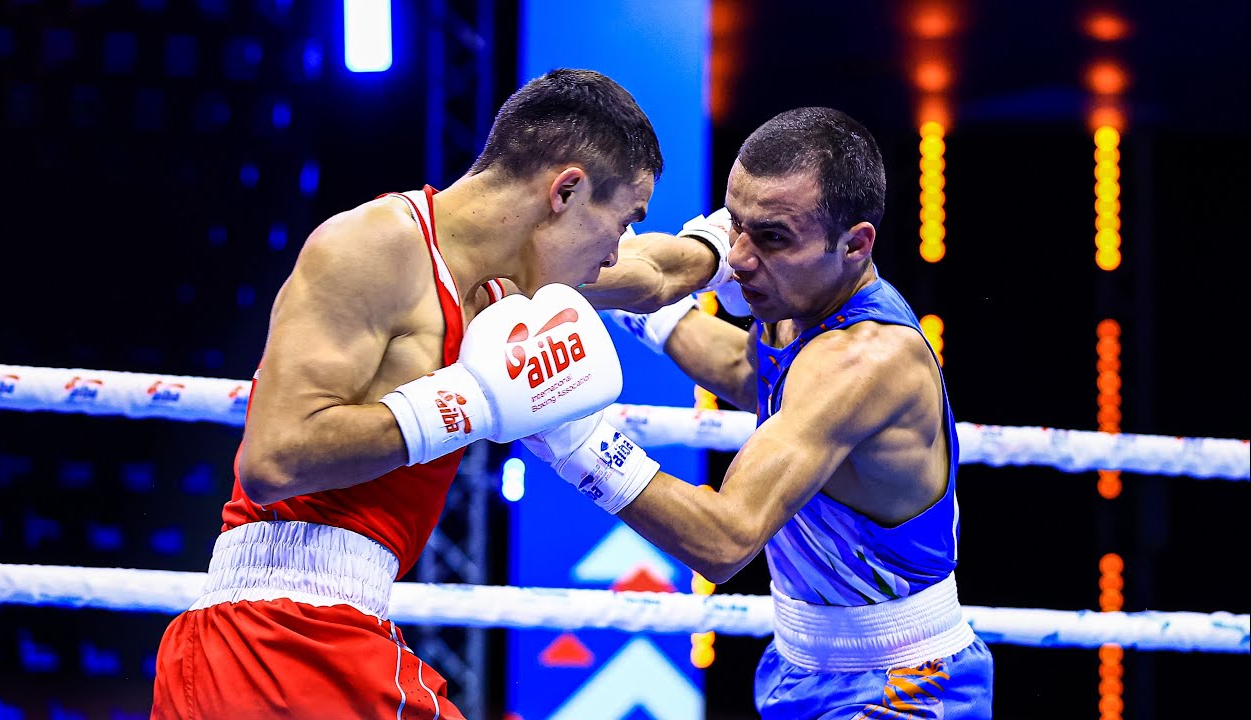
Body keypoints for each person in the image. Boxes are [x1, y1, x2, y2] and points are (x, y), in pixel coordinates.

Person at [150, 68, 727, 720]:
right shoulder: (376, 244)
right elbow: (273, 461)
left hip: (342, 631)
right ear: (565, 191)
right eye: (622, 221)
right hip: (271, 636)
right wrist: (471, 402)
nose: (615, 251)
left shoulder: (509, 287)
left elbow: (652, 274)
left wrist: (728, 242)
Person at [526, 106, 995, 718]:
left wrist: (565, 431)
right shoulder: (796, 303)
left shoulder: (864, 359)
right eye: (735, 225)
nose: (741, 257)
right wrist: (533, 280)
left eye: (772, 237)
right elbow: (750, 373)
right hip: (796, 664)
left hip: (903, 682)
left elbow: (724, 540)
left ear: (855, 244)